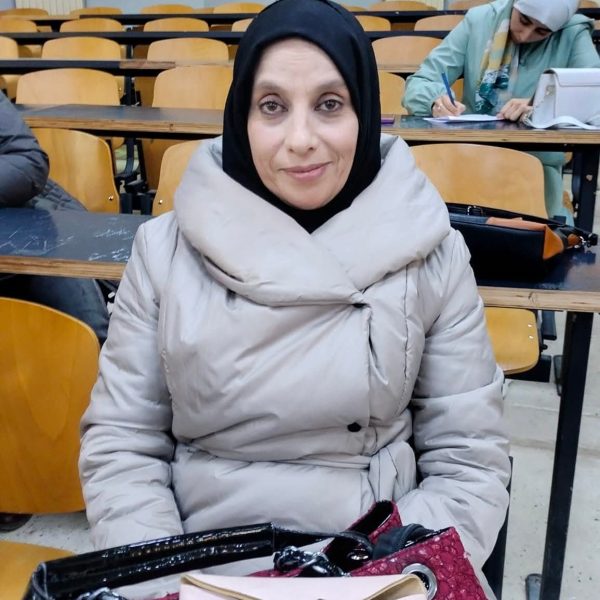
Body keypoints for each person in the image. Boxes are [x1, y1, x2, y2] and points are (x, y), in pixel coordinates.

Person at [79, 0, 510, 596]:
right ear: (241, 117)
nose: (301, 140)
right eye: (272, 106)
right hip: (196, 563)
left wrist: (379, 578)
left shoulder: (432, 252)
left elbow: (468, 460)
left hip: (375, 560)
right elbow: (123, 445)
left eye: (329, 104)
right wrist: (165, 587)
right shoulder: (162, 252)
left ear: (364, 112)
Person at [402, 0, 600, 223]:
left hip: (535, 167)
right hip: (467, 157)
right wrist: (435, 100)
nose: (525, 35)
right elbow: (420, 82)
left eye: (542, 31)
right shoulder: (479, 21)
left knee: (539, 234)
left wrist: (540, 104)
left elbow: (595, 100)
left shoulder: (572, 32)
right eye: (523, 20)